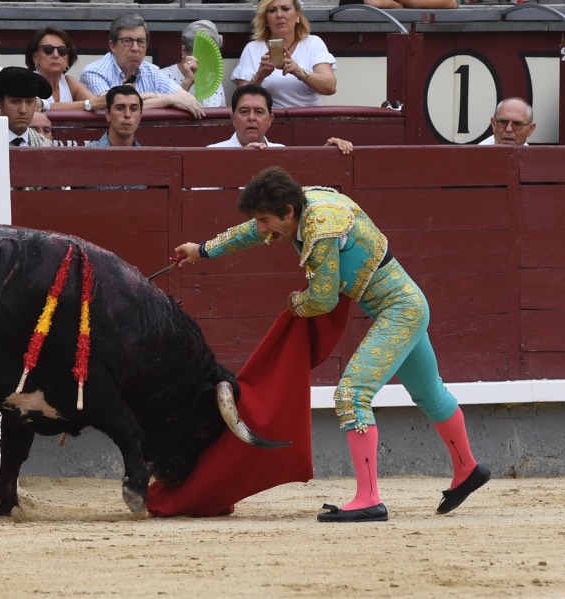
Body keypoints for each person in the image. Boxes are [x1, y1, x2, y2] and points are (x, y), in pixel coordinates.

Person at [174, 166, 491, 523]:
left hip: (398, 312)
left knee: (352, 395)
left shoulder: (320, 227)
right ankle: (468, 470)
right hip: (408, 305)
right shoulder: (301, 203)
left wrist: (296, 303)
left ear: (288, 213)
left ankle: (369, 498)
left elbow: (322, 300)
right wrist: (202, 250)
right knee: (430, 393)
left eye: (266, 220)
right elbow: (252, 232)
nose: (262, 229)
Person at [80, 14, 205, 119]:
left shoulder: (152, 71)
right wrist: (165, 99)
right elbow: (117, 106)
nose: (135, 48)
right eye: (127, 41)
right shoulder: (93, 72)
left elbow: (183, 98)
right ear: (112, 46)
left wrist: (186, 83)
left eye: (140, 42)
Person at [232, 0, 337, 109]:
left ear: (297, 15)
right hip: (271, 121)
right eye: (272, 11)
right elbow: (241, 100)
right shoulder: (253, 48)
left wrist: (299, 72)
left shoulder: (313, 43)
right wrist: (259, 77)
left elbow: (330, 87)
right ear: (266, 20)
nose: (279, 15)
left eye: (285, 9)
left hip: (309, 119)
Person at [210, 85, 353, 153]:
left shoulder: (282, 152)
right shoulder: (211, 153)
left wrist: (328, 154)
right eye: (244, 111)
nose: (251, 118)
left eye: (259, 112)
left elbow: (305, 182)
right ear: (233, 119)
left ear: (270, 120)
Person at [24, 26, 105, 113]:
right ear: (35, 58)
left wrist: (45, 106)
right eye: (48, 49)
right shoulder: (28, 83)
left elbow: (99, 104)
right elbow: (93, 103)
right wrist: (89, 104)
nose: (55, 55)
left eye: (62, 51)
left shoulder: (70, 83)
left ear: (68, 59)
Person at [160, 20, 226, 109]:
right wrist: (187, 82)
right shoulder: (161, 78)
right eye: (202, 57)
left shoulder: (214, 81)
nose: (207, 64)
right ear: (184, 51)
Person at [0, 66, 53, 147]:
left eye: (29, 102)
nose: (23, 110)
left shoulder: (44, 144)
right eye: (15, 102)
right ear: (0, 102)